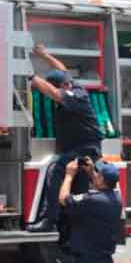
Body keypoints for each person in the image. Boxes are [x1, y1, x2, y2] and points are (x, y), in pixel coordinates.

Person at [28, 44, 104, 239]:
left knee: (57, 170)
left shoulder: (76, 95)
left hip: (86, 147)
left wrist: (31, 77)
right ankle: (75, 228)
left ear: (64, 86)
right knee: (77, 189)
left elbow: (54, 93)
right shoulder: (69, 81)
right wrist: (45, 55)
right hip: (77, 147)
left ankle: (48, 220)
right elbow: (61, 68)